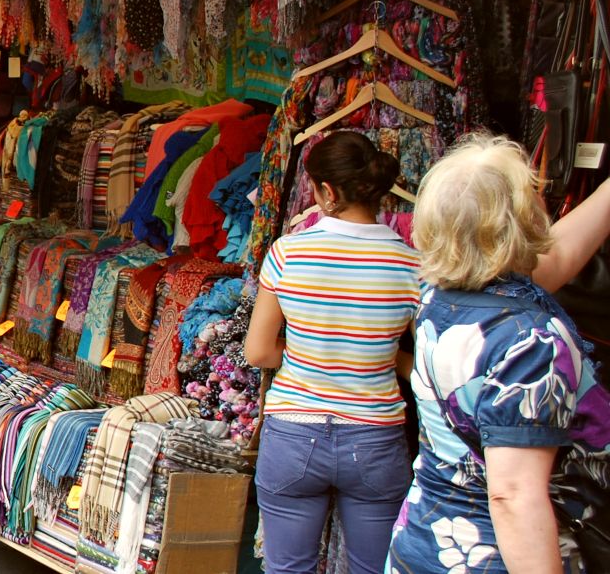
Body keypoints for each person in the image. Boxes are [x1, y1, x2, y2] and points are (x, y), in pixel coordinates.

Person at [384, 135, 610, 574]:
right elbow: (513, 496)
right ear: (523, 220)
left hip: (426, 543)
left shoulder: (440, 297)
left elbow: (556, 258)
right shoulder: (532, 341)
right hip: (494, 558)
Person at [240, 132, 420, 573]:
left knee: (287, 569)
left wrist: (308, 349)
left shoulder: (288, 253)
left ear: (327, 191)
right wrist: (382, 355)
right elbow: (427, 369)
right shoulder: (413, 264)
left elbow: (259, 351)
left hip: (294, 434)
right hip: (376, 439)